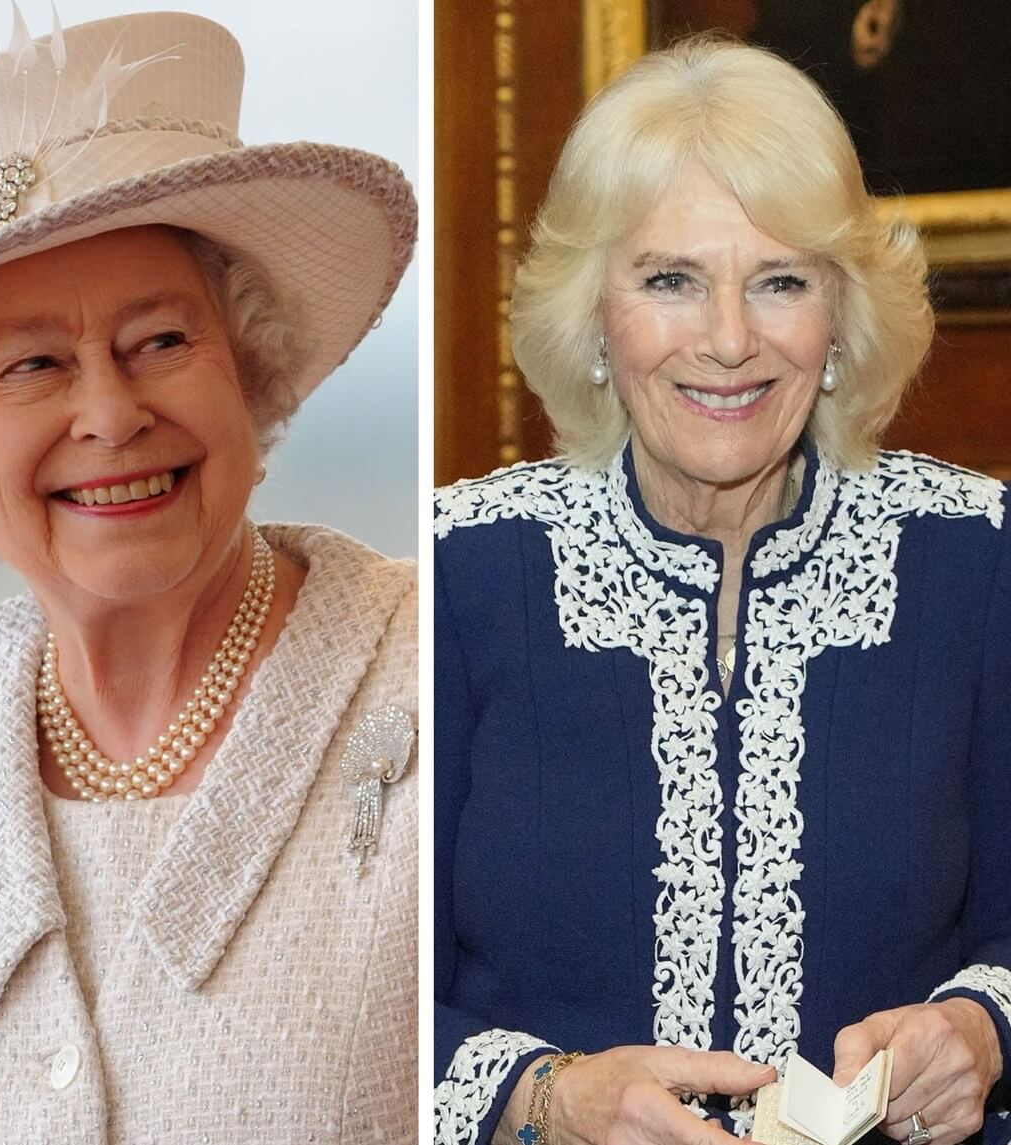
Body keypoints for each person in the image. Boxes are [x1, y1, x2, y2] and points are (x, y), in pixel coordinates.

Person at [0, 10, 416, 1142]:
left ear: (249, 371)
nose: (110, 412)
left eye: (160, 342)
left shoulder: (449, 677)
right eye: (35, 363)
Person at [434, 36, 1011, 1145]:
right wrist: (543, 1098)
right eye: (671, 280)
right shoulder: (461, 573)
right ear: (596, 315)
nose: (731, 340)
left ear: (840, 318)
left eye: (781, 281)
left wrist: (982, 1027)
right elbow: (371, 994)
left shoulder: (976, 558)